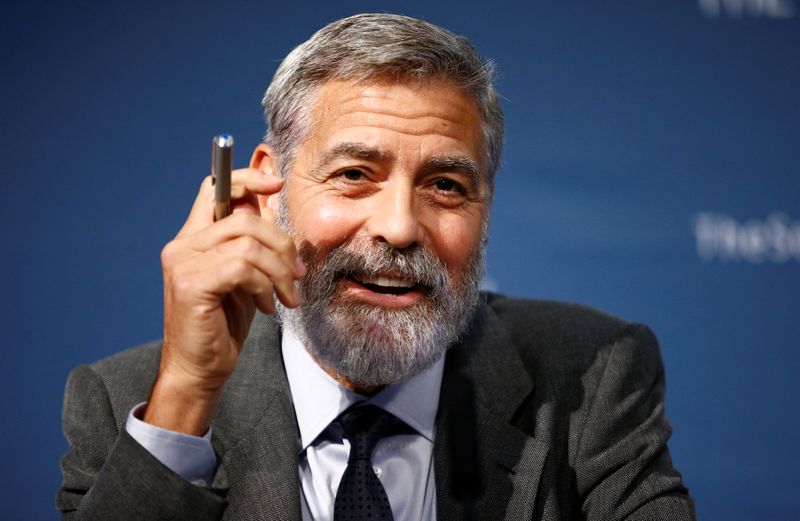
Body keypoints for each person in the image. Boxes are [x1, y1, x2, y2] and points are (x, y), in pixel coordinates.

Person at [57, 13, 695, 521]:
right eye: (354, 174)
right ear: (265, 187)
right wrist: (188, 397)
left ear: (486, 206)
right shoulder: (128, 406)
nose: (399, 226)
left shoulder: (591, 375)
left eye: (445, 185)